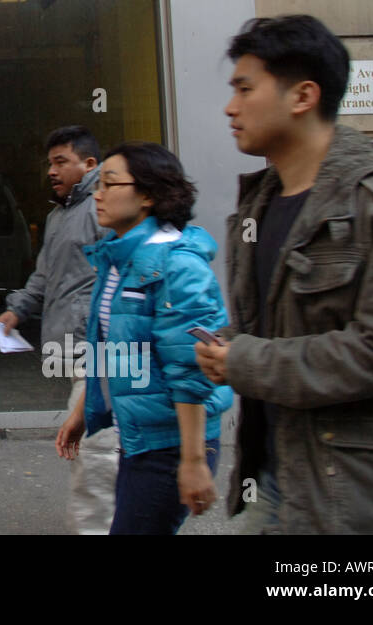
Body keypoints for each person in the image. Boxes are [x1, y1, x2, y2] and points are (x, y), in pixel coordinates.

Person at [196, 15, 373, 533]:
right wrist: (225, 345)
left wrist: (247, 360)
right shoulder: (258, 206)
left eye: (245, 88)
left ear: (303, 96)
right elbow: (280, 330)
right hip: (277, 479)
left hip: (363, 499)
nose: (231, 106)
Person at [55, 142, 233, 534]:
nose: (97, 194)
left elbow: (189, 370)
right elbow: (113, 347)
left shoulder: (176, 263)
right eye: (97, 184)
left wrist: (192, 460)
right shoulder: (120, 259)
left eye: (109, 184)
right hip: (139, 438)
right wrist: (85, 410)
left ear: (149, 195)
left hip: (170, 447)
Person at [0, 125, 116, 533]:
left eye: (61, 162)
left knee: (94, 451)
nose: (52, 170)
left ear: (90, 165)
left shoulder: (106, 208)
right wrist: (17, 311)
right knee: (100, 445)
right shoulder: (58, 215)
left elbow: (122, 276)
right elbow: (45, 275)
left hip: (98, 347)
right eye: (50, 163)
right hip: (74, 343)